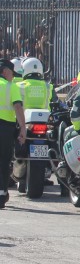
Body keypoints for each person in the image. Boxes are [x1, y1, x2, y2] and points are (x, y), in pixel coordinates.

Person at [0, 59, 28, 209]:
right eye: (12, 73)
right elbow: (17, 107)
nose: (13, 76)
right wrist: (23, 128)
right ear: (5, 71)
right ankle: (1, 193)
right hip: (4, 128)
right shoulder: (11, 87)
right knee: (4, 161)